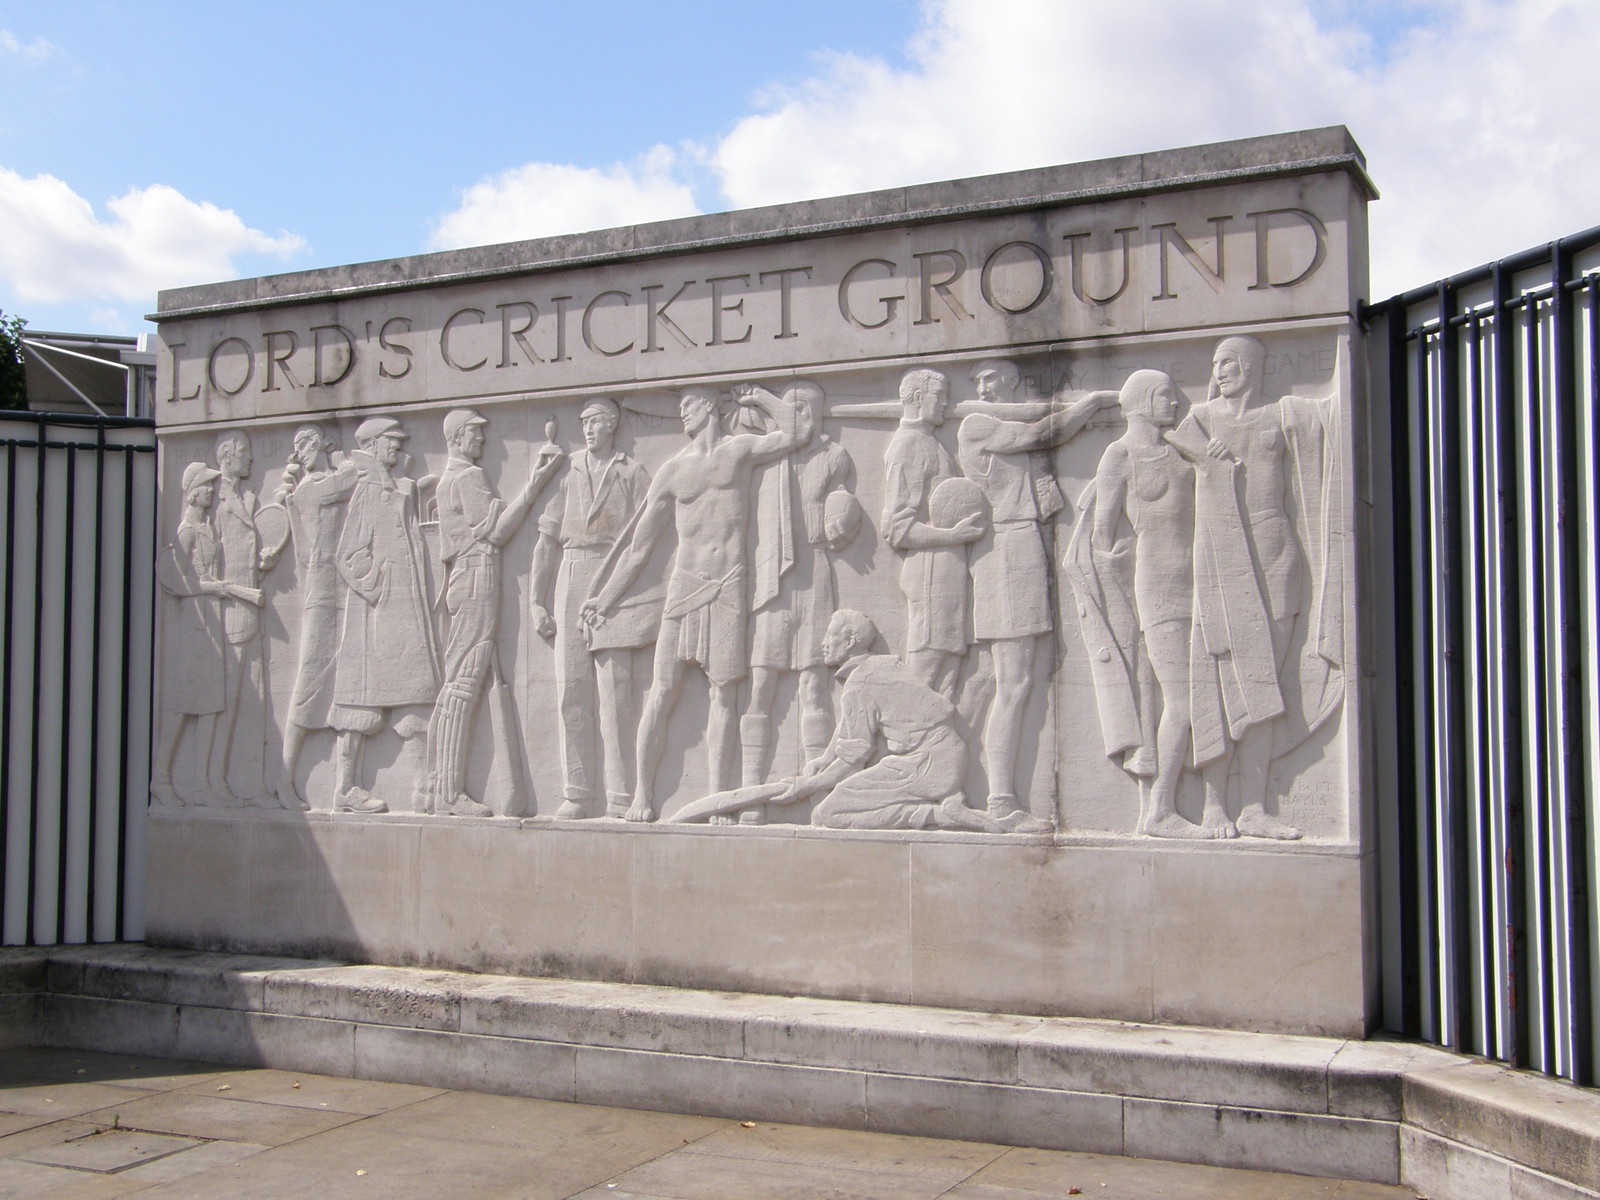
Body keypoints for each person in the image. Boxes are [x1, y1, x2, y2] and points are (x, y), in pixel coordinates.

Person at [582, 382, 801, 821]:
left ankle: (716, 799)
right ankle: (643, 794)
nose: (682, 414)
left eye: (688, 405)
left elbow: (795, 432)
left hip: (728, 585)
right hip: (684, 587)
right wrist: (604, 599)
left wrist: (760, 398)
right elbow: (639, 549)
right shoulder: (672, 471)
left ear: (710, 408)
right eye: (679, 407)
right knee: (662, 691)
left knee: (724, 694)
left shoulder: (739, 450)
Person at [1164, 335, 1343, 839]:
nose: (1219, 371)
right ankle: (1215, 806)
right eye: (1216, 364)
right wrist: (1204, 457)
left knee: (1265, 686)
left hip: (1277, 553)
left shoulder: (1282, 416)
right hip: (1220, 556)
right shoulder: (1200, 419)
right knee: (1218, 682)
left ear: (1250, 366)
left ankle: (1254, 808)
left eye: (1229, 363)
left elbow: (1333, 418)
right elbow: (1178, 440)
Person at [956, 359, 1114, 830]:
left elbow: (1034, 426)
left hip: (1023, 543)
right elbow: (1042, 434)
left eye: (995, 380)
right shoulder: (978, 423)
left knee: (999, 680)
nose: (985, 387)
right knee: (1014, 682)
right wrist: (1091, 404)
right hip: (1005, 547)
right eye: (979, 380)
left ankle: (948, 774)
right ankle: (1000, 802)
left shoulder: (1004, 417)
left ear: (1012, 385)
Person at [1067, 370, 1220, 837]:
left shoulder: (1181, 451)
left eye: (1176, 396)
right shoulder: (1120, 455)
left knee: (1200, 698)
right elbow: (1101, 539)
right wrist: (1119, 579)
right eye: (1165, 397)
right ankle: (1159, 812)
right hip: (1156, 592)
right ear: (1140, 403)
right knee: (1181, 700)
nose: (1174, 404)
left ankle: (1192, 805)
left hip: (1201, 588)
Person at [424, 408, 564, 817]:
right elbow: (498, 532)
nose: (481, 441)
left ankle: (440, 788)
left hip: (473, 576)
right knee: (463, 682)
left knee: (465, 679)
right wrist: (537, 483)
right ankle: (447, 793)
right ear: (457, 437)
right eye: (474, 434)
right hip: (475, 575)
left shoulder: (458, 476)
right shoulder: (466, 477)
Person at [770, 609, 1006, 833]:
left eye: (830, 635)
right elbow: (849, 724)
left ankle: (939, 815)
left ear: (850, 641)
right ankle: (944, 803)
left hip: (927, 764)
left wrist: (805, 788)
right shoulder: (881, 665)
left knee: (825, 815)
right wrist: (827, 757)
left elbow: (851, 762)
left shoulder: (860, 685)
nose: (824, 643)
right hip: (938, 757)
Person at [530, 398, 653, 820]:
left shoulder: (632, 472)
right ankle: (578, 793)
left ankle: (620, 796)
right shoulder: (568, 471)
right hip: (572, 571)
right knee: (572, 691)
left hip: (614, 576)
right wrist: (535, 600)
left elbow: (648, 538)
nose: (587, 429)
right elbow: (546, 540)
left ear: (613, 424)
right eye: (583, 422)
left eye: (596, 422)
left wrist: (627, 588)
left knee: (616, 691)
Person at [744, 379, 858, 788]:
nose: (803, 418)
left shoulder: (834, 456)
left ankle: (814, 786)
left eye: (807, 409)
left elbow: (839, 502)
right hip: (771, 573)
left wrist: (844, 515)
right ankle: (750, 786)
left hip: (814, 571)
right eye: (795, 409)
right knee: (761, 684)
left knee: (814, 683)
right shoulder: (767, 456)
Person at [328, 417, 439, 814]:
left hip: (405, 613)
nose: (397, 446)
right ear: (372, 445)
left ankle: (424, 789)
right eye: (391, 441)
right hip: (377, 616)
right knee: (360, 706)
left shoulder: (393, 489)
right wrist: (380, 587)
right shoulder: (368, 491)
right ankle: (345, 788)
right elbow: (348, 554)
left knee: (415, 698)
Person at [152, 463, 259, 806]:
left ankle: (202, 784)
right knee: (183, 706)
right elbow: (173, 580)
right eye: (207, 487)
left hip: (212, 623)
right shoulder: (187, 531)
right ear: (193, 491)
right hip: (194, 624)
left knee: (212, 706)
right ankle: (161, 778)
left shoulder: (208, 528)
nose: (212, 492)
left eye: (213, 486)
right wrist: (215, 587)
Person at [881, 368, 983, 697]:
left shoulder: (931, 443)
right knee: (926, 671)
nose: (945, 404)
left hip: (948, 571)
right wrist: (954, 535)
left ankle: (933, 748)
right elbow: (898, 528)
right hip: (929, 571)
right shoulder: (909, 446)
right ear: (916, 398)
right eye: (938, 396)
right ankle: (904, 741)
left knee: (950, 673)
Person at [273, 426, 357, 811]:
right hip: (322, 593)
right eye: (296, 446)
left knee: (351, 686)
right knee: (309, 683)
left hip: (348, 590)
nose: (300, 451)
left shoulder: (325, 481)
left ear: (323, 443)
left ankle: (346, 786)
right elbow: (350, 479)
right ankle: (283, 778)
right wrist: (339, 458)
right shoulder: (310, 489)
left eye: (306, 442)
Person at [211, 430, 282, 805]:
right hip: (229, 615)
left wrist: (261, 561)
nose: (251, 461)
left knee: (255, 707)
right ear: (227, 455)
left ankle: (251, 785)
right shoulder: (214, 499)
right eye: (245, 454)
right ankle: (215, 782)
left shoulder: (247, 499)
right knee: (228, 703)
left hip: (251, 614)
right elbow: (206, 566)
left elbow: (242, 555)